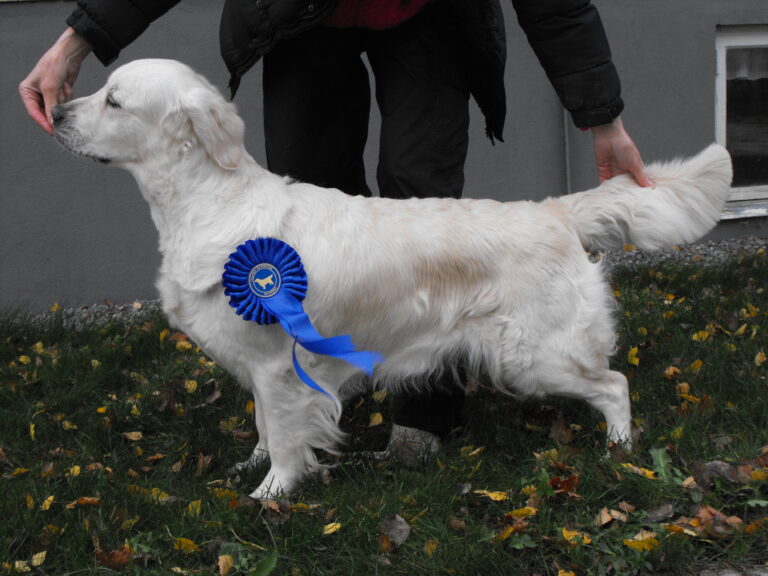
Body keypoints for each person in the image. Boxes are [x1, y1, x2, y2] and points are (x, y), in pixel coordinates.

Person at [20, 0, 652, 458]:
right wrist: (77, 39)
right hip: (300, 15)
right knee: (304, 213)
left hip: (430, 16)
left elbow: (559, 7)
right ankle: (309, 400)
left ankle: (424, 419)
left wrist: (604, 119)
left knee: (420, 188)